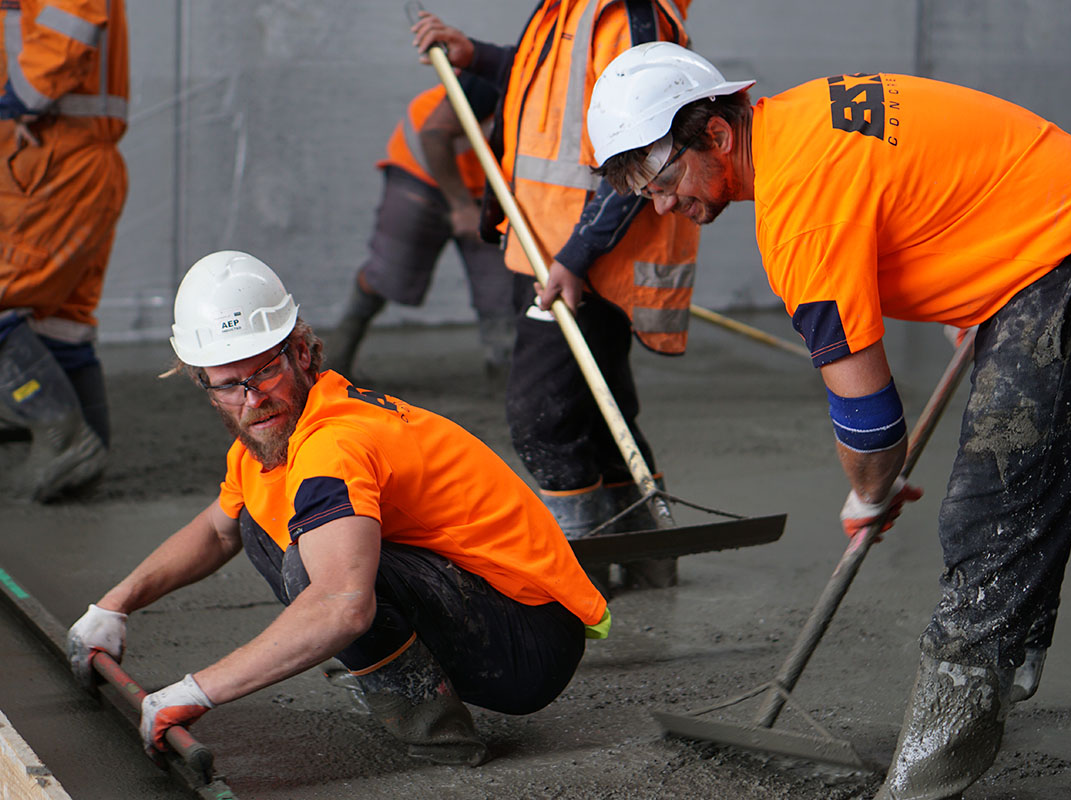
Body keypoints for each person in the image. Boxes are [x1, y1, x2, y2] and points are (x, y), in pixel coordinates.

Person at [587, 43, 1071, 799]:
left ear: (717, 136)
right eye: (645, 193)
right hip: (1047, 254)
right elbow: (933, 188)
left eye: (663, 181)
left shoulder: (798, 207)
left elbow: (867, 416)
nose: (662, 206)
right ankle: (1011, 660)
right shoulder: (801, 119)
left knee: (989, 511)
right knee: (1023, 488)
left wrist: (869, 492)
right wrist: (974, 293)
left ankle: (929, 769)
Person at [65, 251, 609, 766]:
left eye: (264, 374)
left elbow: (341, 606)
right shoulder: (265, 445)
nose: (253, 401)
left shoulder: (334, 443)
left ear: (301, 352)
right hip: (489, 607)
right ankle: (397, 672)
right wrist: (113, 607)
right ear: (207, 389)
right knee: (257, 520)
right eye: (230, 387)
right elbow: (216, 531)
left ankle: (437, 734)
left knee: (318, 571)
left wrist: (195, 691)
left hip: (531, 638)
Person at [411, 1, 699, 595]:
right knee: (596, 413)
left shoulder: (627, 15)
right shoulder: (572, 9)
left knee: (543, 419)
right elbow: (560, 84)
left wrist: (577, 256)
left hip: (582, 259)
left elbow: (643, 145)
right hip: (548, 248)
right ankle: (648, 560)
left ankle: (582, 574)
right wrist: (479, 56)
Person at [0, 0, 128, 501]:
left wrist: (21, 94)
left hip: (53, 156)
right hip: (63, 155)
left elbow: (70, 18)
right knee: (58, 320)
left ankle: (62, 436)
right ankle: (82, 454)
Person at [325, 77, 516, 386]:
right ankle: (337, 360)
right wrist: (461, 206)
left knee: (500, 287)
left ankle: (506, 375)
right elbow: (434, 133)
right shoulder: (490, 85)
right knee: (388, 274)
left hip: (487, 187)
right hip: (419, 173)